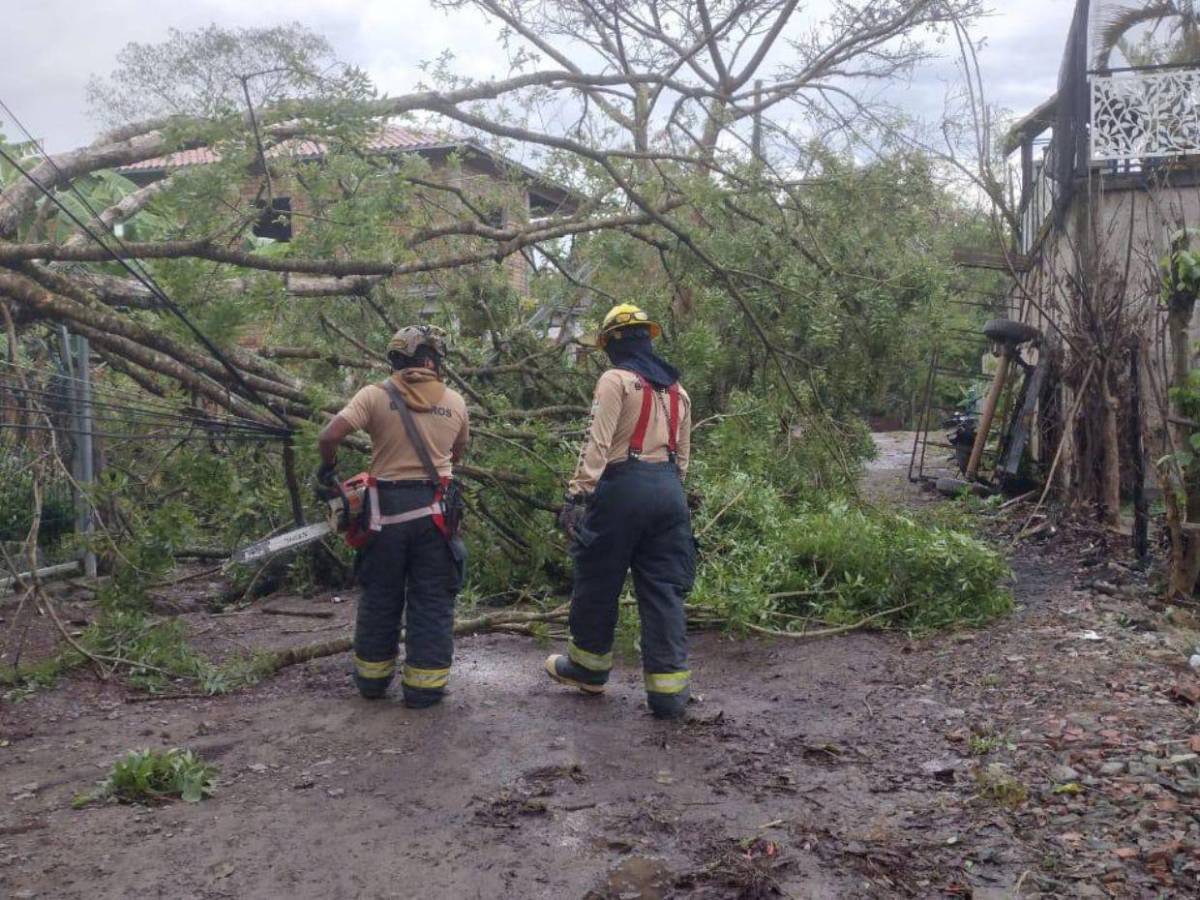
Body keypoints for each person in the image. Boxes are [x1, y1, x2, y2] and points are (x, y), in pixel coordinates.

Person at [545, 303, 695, 719]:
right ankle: (668, 693)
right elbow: (682, 458)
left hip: (621, 488)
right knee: (664, 589)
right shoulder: (678, 390)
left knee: (598, 578)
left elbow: (598, 442)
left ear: (612, 344)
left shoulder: (615, 380)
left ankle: (589, 668)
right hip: (669, 493)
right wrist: (667, 491)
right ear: (647, 338)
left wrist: (578, 495)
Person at [317, 325, 469, 708]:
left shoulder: (373, 395)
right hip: (436, 515)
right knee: (432, 599)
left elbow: (328, 436)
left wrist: (328, 471)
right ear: (431, 359)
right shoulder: (455, 402)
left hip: (382, 516)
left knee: (380, 596)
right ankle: (425, 688)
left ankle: (371, 681)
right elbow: (457, 454)